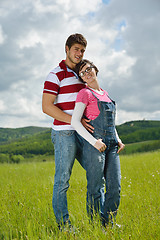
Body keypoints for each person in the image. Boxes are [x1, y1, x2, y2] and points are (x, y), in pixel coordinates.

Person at [42, 34, 93, 230]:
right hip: (64, 133)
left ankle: (99, 220)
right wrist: (75, 121)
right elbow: (47, 107)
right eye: (76, 49)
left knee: (98, 174)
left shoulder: (82, 74)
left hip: (84, 134)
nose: (79, 53)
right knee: (62, 180)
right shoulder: (55, 74)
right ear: (67, 48)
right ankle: (64, 226)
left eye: (82, 50)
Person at [71, 59, 125, 227]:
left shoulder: (105, 93)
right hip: (95, 145)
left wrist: (118, 139)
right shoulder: (84, 94)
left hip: (112, 145)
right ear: (81, 78)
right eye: (82, 73)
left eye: (88, 69)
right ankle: (96, 227)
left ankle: (107, 223)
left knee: (115, 187)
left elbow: (111, 122)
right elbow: (75, 122)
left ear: (95, 69)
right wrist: (93, 142)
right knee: (95, 187)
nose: (87, 73)